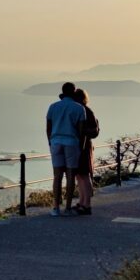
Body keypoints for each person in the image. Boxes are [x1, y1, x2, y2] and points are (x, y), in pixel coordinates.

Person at [46, 82, 86, 216]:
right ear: (74, 92)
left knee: (57, 176)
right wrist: (80, 146)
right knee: (70, 177)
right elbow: (81, 131)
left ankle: (55, 208)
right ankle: (68, 208)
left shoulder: (53, 107)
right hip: (71, 142)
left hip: (56, 142)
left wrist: (50, 142)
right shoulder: (79, 108)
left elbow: (48, 128)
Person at [72, 88, 99, 215]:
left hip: (84, 146)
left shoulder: (86, 111)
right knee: (79, 175)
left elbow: (94, 131)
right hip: (81, 145)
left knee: (84, 174)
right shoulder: (84, 110)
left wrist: (81, 131)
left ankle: (86, 204)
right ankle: (82, 202)